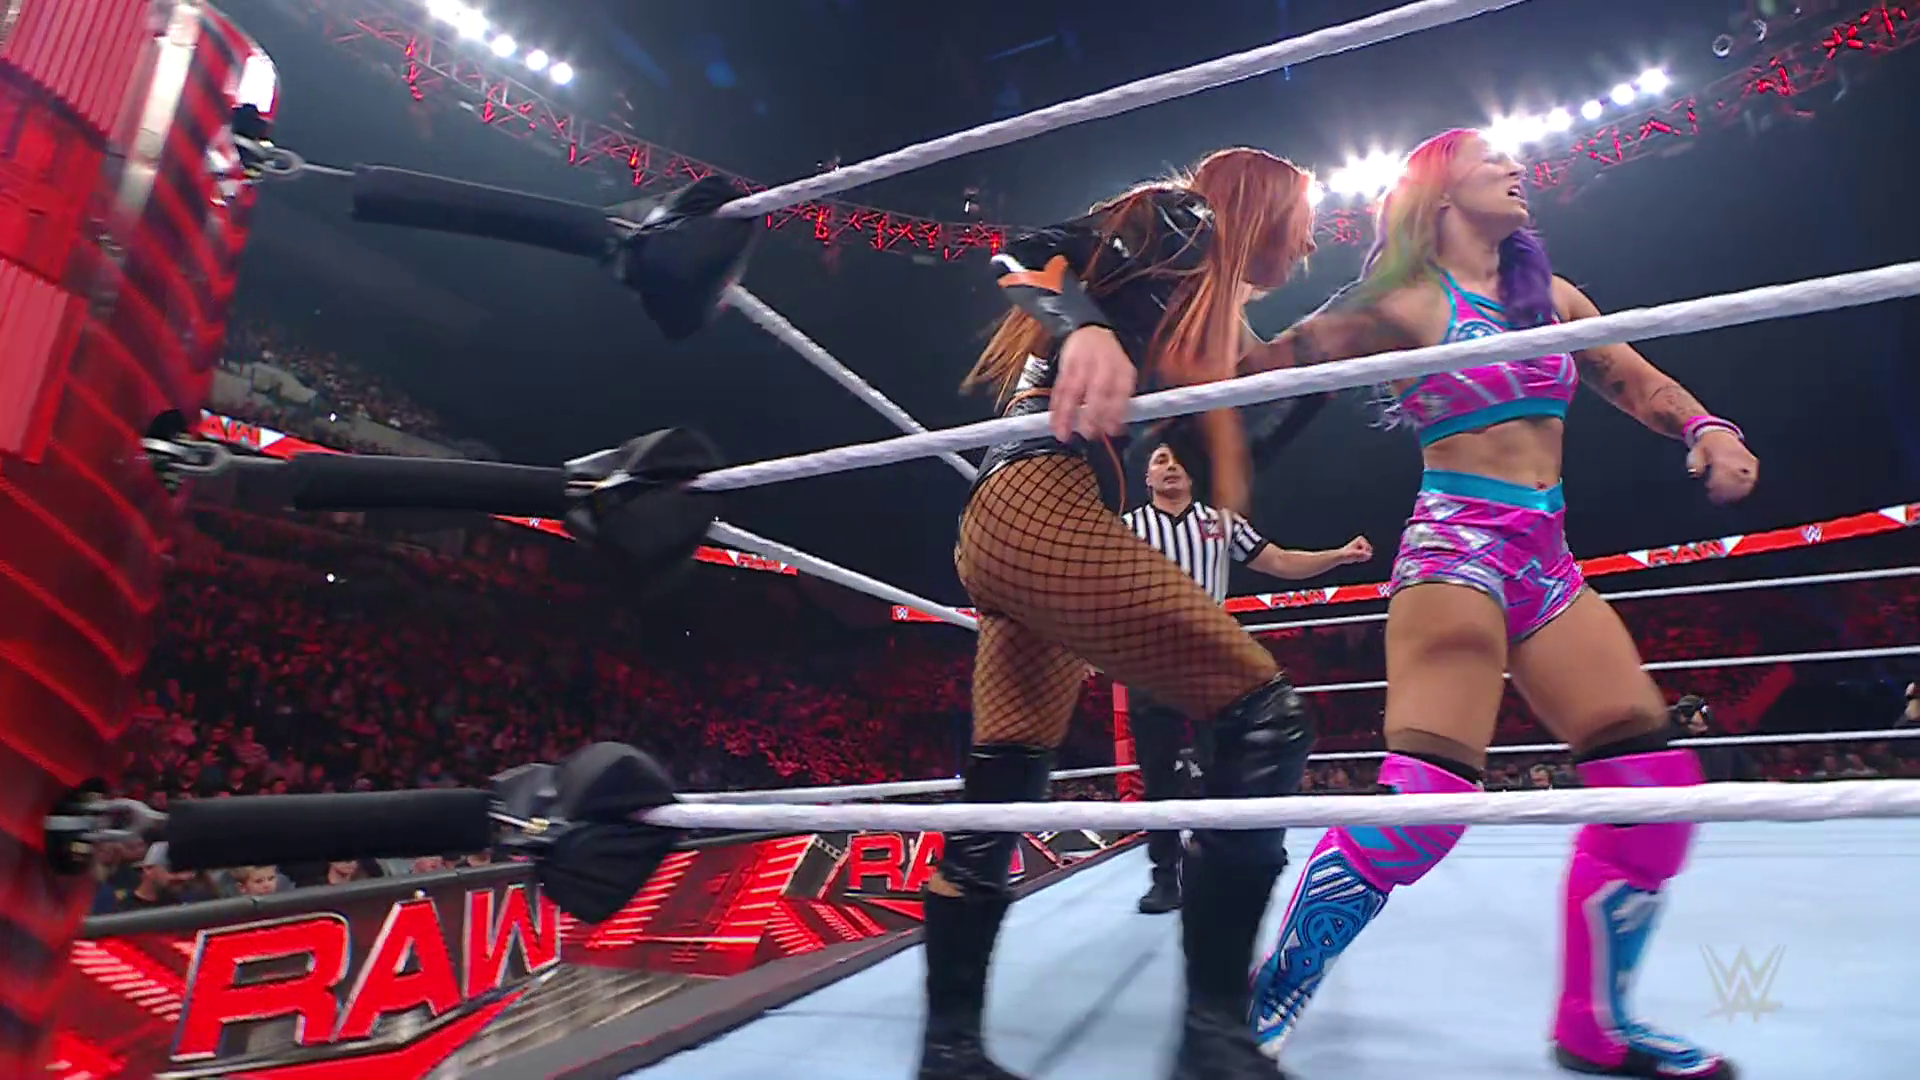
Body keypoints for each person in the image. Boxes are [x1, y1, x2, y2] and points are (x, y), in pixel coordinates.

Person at [1240, 128, 1759, 1078]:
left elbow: (1632, 377)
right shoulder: (1398, 299)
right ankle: (1271, 991)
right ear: (1438, 189)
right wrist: (1222, 283)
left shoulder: (1552, 299)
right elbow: (1265, 367)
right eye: (1490, 159)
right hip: (1456, 550)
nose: (1515, 168)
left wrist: (1706, 426)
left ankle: (1595, 1024)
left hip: (1547, 558)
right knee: (1426, 806)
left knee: (1655, 790)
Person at [922, 147, 1322, 1080]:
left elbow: (1242, 438)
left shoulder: (1192, 304)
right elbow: (1026, 250)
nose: (1308, 247)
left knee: (1005, 779)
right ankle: (1214, 1035)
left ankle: (949, 1053)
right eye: (1304, 225)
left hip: (1019, 522)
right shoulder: (1185, 220)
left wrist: (1329, 359)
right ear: (1261, 209)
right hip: (1042, 508)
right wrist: (1085, 329)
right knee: (1266, 717)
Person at [1122, 438, 1372, 914]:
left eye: (1178, 459)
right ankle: (1165, 877)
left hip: (1213, 661)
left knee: (1227, 766)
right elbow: (1098, 588)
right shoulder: (1128, 528)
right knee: (1158, 775)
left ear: (1193, 473)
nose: (1170, 466)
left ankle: (1227, 859)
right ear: (1147, 477)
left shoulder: (1221, 522)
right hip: (1151, 661)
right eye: (1160, 460)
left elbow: (1278, 560)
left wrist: (1338, 555)